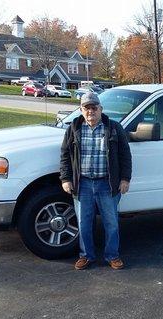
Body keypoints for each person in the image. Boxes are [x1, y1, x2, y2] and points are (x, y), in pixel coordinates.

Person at [60, 92, 132, 270]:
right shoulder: (73, 129)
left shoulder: (113, 128)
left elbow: (125, 155)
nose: (90, 111)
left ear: (101, 109)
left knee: (111, 223)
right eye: (87, 108)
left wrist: (125, 179)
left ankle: (112, 256)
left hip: (107, 184)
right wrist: (66, 178)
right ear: (81, 110)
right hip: (82, 184)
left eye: (94, 107)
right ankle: (86, 256)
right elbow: (64, 156)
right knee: (84, 224)